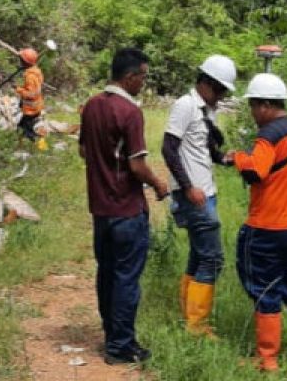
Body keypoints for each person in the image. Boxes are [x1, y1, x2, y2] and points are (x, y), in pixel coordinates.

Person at [78, 47, 169, 365]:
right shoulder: (129, 113)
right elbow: (137, 167)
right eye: (143, 76)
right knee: (127, 277)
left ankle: (111, 334)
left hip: (101, 209)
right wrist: (158, 184)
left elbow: (83, 152)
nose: (144, 82)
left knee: (107, 273)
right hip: (127, 210)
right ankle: (121, 346)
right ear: (130, 77)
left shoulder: (90, 106)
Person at [233, 72, 287, 371]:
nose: (253, 113)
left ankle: (267, 359)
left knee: (264, 287)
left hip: (269, 226)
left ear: (265, 105)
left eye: (253, 107)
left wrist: (239, 157)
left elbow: (255, 172)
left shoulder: (268, 135)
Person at [161, 54, 238, 337]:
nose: (220, 96)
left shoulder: (207, 110)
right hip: (194, 194)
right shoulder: (185, 105)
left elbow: (203, 149)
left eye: (223, 92)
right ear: (205, 82)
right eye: (218, 90)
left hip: (207, 191)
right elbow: (169, 148)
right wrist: (187, 185)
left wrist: (223, 158)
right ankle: (197, 326)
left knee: (199, 255)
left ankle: (189, 317)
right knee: (213, 258)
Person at [14, 47, 47, 150]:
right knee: (24, 126)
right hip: (35, 107)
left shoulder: (30, 76)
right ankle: (33, 143)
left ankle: (34, 146)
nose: (20, 61)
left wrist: (18, 89)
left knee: (25, 129)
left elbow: (31, 94)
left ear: (25, 62)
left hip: (31, 109)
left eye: (21, 60)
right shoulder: (35, 71)